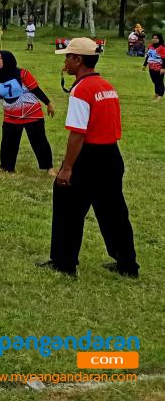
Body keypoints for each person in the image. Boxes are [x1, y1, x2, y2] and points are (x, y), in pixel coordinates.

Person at [40, 38, 138, 278]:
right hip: (111, 155)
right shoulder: (106, 85)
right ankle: (127, 264)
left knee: (67, 207)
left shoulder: (81, 89)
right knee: (114, 212)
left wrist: (67, 168)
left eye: (68, 57)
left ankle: (64, 262)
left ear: (78, 59)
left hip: (88, 157)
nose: (65, 62)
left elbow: (77, 133)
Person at [0, 50, 56, 175]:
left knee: (39, 141)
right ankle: (6, 166)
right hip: (11, 116)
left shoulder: (22, 74)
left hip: (32, 113)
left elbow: (36, 89)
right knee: (8, 142)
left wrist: (48, 103)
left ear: (7, 60)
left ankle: (49, 168)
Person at [143, 32, 165, 101]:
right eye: (153, 38)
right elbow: (148, 56)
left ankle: (160, 96)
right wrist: (144, 65)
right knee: (154, 81)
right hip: (151, 67)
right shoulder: (150, 46)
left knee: (159, 82)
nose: (154, 39)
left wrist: (163, 68)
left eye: (156, 38)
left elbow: (164, 59)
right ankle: (156, 93)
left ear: (160, 39)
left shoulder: (162, 48)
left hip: (159, 68)